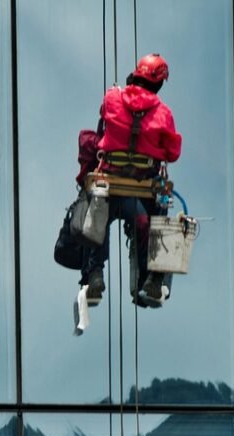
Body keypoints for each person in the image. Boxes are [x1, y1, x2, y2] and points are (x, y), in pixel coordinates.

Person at [78, 52, 182, 308]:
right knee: (161, 217)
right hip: (143, 187)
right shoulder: (164, 113)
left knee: (97, 215)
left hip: (110, 181)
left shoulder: (113, 97)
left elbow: (105, 118)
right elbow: (173, 153)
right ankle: (154, 279)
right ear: (159, 83)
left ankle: (94, 274)